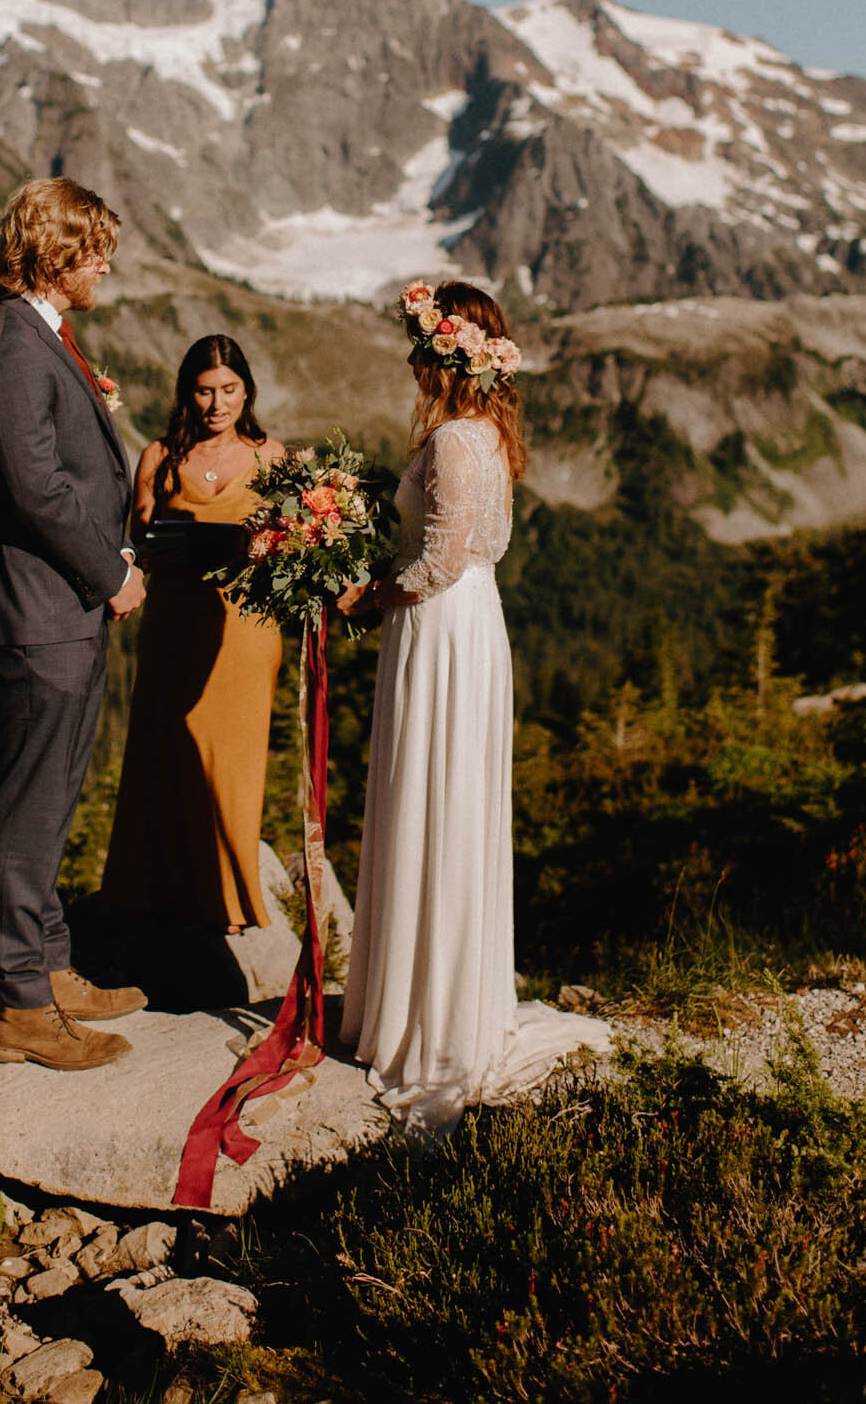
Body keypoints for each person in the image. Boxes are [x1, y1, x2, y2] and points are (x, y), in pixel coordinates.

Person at [336, 280, 610, 1127]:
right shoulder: (486, 434)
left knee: (434, 798)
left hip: (441, 626)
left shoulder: (457, 439)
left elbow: (440, 563)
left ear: (442, 352)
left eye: (420, 345)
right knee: (442, 801)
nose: (412, 360)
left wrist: (366, 593)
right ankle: (432, 996)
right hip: (466, 627)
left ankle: (430, 1018)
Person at [0, 176, 148, 1072]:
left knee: (57, 793)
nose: (107, 263)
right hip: (41, 610)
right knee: (30, 805)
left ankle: (52, 965)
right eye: (95, 248)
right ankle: (22, 1007)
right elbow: (35, 488)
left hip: (61, 611)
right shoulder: (8, 342)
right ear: (54, 251)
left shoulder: (44, 334)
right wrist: (109, 571)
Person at [101, 336, 285, 932]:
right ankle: (151, 898)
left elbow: (288, 547)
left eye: (229, 390)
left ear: (246, 391)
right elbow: (138, 542)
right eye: (205, 391)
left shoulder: (270, 456)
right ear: (187, 393)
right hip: (176, 623)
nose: (216, 403)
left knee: (232, 762)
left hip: (246, 629)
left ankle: (231, 903)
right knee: (164, 753)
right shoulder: (159, 456)